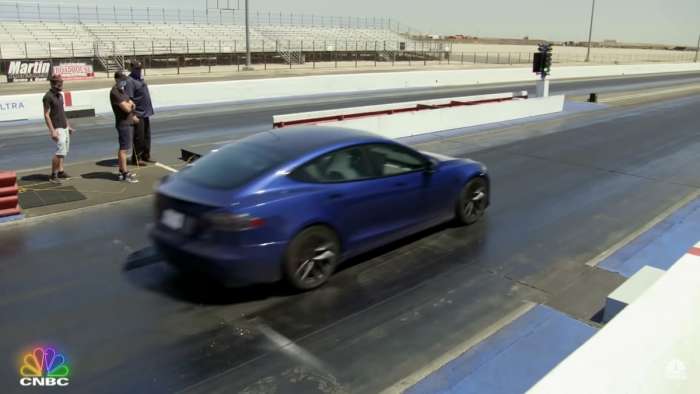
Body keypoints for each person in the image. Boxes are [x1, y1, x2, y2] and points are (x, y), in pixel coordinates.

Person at [42, 74, 75, 184]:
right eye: (59, 82)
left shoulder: (60, 95)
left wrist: (68, 125)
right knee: (60, 152)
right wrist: (52, 130)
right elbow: (46, 115)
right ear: (53, 83)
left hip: (64, 127)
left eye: (61, 82)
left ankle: (60, 172)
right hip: (57, 128)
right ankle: (53, 175)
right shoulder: (47, 97)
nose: (61, 84)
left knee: (64, 151)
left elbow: (62, 112)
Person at [109, 71, 139, 183]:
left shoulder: (122, 91)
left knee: (125, 147)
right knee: (124, 149)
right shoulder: (115, 92)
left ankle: (122, 170)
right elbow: (126, 108)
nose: (124, 81)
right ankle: (125, 174)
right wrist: (130, 105)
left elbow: (131, 103)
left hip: (128, 122)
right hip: (123, 124)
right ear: (117, 80)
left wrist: (130, 105)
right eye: (122, 79)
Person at [125, 60, 155, 165]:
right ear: (132, 69)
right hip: (138, 113)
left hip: (146, 112)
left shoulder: (140, 79)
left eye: (140, 68)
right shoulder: (129, 81)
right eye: (137, 69)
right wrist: (132, 114)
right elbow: (128, 99)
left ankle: (146, 155)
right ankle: (137, 158)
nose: (139, 70)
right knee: (139, 137)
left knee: (147, 136)